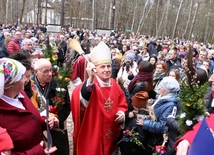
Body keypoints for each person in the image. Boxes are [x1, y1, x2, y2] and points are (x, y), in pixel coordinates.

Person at [71, 41, 128, 155]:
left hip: (110, 133)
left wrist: (122, 113)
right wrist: (90, 80)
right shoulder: (89, 85)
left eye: (108, 66)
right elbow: (83, 100)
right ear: (95, 69)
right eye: (102, 67)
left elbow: (122, 102)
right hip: (94, 132)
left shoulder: (114, 83)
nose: (107, 70)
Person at [0, 58, 57, 154]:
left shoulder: (22, 95)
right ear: (11, 84)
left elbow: (32, 117)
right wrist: (37, 151)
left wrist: (45, 121)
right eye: (22, 77)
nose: (27, 80)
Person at [32, 58, 70, 154]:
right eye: (46, 71)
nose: (50, 74)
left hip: (56, 129)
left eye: (51, 70)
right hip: (37, 130)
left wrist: (57, 119)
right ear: (36, 72)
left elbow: (67, 107)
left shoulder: (59, 84)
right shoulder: (29, 86)